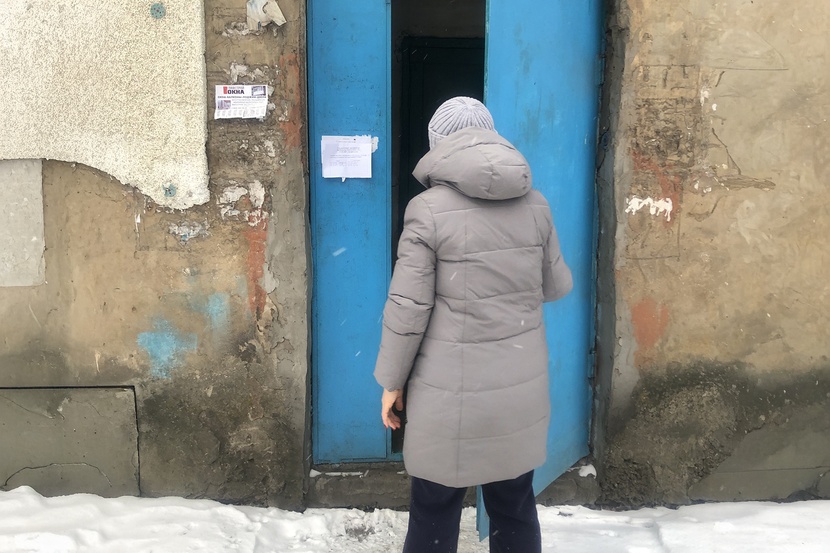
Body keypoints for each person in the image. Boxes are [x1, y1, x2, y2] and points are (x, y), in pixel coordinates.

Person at [374, 96, 573, 553]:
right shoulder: (536, 204)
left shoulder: (427, 210)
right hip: (518, 387)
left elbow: (408, 309)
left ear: (437, 145)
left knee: (434, 507)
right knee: (514, 505)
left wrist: (391, 382)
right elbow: (555, 285)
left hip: (450, 395)